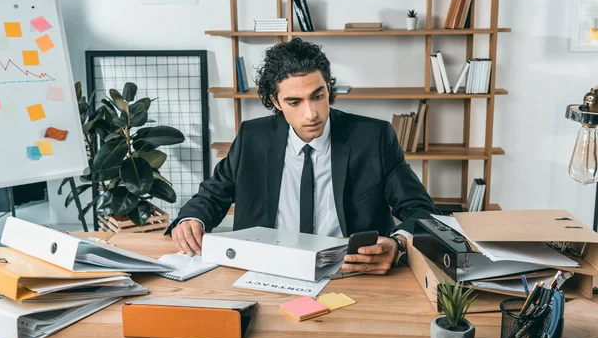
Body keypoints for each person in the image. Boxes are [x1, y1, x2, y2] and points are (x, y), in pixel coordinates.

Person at [166, 38, 440, 275]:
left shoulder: (373, 137)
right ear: (275, 101)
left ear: (328, 89)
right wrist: (192, 220)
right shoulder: (253, 137)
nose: (311, 114)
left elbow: (423, 212)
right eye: (294, 102)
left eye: (317, 96)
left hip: (351, 272)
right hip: (266, 268)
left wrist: (398, 244)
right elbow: (213, 194)